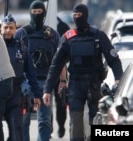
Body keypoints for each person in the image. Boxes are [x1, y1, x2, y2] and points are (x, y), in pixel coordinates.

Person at [43, 3, 123, 141]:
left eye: (79, 15)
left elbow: (114, 60)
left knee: (95, 118)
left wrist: (118, 79)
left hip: (94, 83)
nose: (76, 18)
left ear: (85, 15)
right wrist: (47, 89)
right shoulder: (68, 37)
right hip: (75, 84)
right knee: (76, 121)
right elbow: (56, 65)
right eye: (74, 15)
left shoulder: (98, 35)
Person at [14, 1, 63, 141]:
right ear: (30, 12)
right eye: (33, 12)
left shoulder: (52, 34)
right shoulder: (21, 33)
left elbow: (60, 60)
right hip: (25, 82)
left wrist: (63, 81)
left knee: (45, 120)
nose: (36, 15)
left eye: (39, 12)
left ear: (44, 13)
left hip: (45, 83)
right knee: (24, 120)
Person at [0, 14, 41, 141]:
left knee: (17, 128)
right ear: (0, 29)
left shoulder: (22, 48)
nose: (8, 31)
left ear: (15, 29)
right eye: (5, 28)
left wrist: (37, 94)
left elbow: (31, 73)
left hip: (15, 93)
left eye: (11, 28)